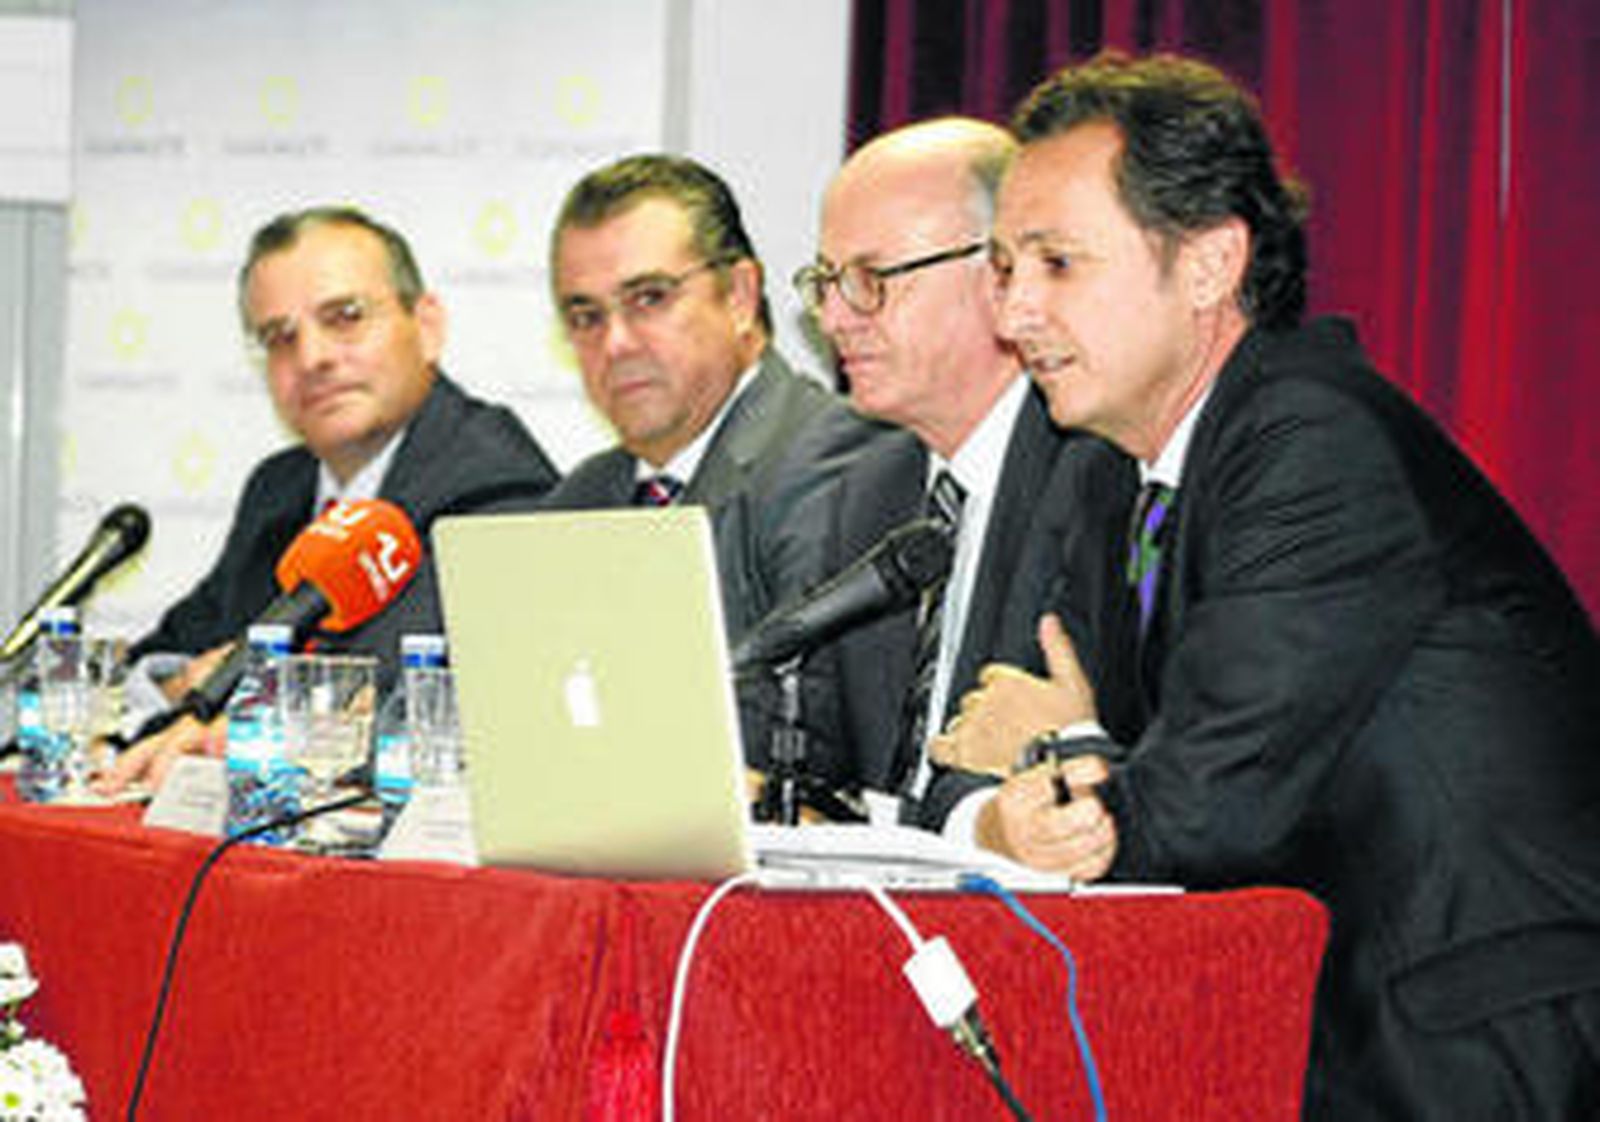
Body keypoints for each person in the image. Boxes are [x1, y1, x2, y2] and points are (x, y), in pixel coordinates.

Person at [935, 51, 1600, 1119]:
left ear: (1207, 266)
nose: (1013, 313)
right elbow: (993, 742)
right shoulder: (1109, 470)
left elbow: (1198, 806)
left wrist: (1065, 759)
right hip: (1326, 1022)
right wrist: (1043, 784)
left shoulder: (1309, 438)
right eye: (1004, 267)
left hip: (1484, 1027)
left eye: (1056, 264)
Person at [102, 206, 559, 791]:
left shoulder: (495, 484)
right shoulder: (281, 487)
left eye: (345, 317)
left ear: (427, 327)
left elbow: (402, 701)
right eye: (280, 337)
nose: (312, 357)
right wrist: (185, 685)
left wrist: (234, 698)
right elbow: (164, 653)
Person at [800, 117, 1135, 832]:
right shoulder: (865, 496)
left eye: (868, 279)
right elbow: (820, 756)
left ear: (998, 273)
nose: (833, 317)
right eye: (825, 281)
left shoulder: (1096, 469)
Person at [535, 154, 883, 790]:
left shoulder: (837, 460)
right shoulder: (580, 497)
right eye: (585, 317)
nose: (614, 344)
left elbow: (793, 734)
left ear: (740, 296)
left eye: (649, 299)